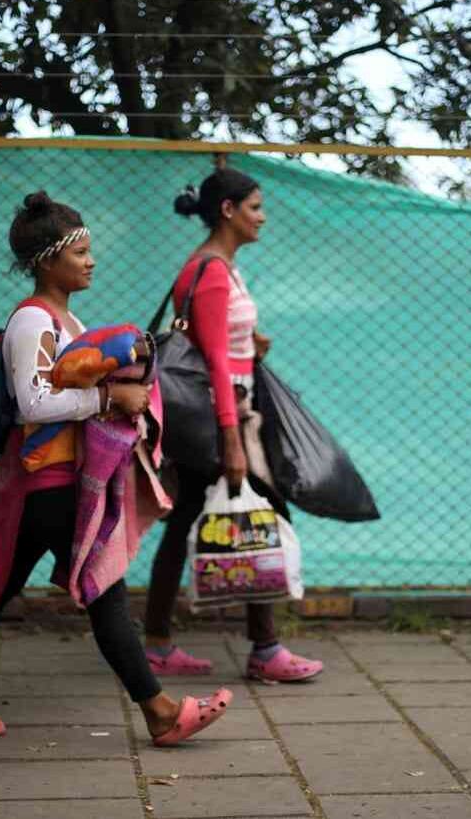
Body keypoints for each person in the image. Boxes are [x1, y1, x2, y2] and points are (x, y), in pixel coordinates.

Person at [0, 191, 231, 744]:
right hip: (42, 485)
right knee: (103, 591)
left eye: (90, 251)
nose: (91, 261)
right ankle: (159, 711)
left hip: (47, 483)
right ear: (47, 260)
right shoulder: (31, 322)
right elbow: (31, 404)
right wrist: (111, 403)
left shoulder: (65, 317)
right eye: (80, 252)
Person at [144, 169, 324, 682]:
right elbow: (217, 362)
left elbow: (215, 340)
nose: (262, 217)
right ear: (228, 210)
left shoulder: (220, 266)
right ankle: (265, 650)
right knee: (264, 510)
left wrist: (254, 341)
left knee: (183, 525)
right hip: (224, 416)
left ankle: (157, 643)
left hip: (222, 409)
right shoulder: (212, 270)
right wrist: (232, 443)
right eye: (255, 207)